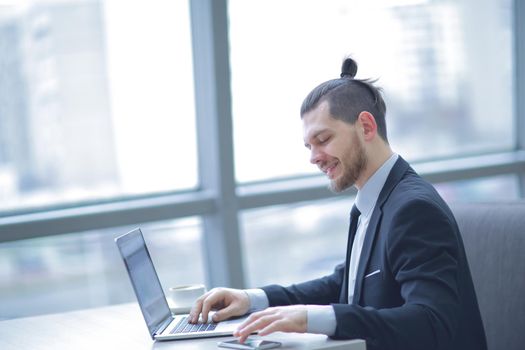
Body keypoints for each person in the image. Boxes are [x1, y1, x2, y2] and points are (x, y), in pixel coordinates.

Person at [189, 58, 487, 350]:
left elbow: (430, 322)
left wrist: (314, 319)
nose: (314, 157)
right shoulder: (371, 204)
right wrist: (253, 299)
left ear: (366, 127)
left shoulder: (413, 209)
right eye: (309, 146)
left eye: (324, 139)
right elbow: (347, 283)